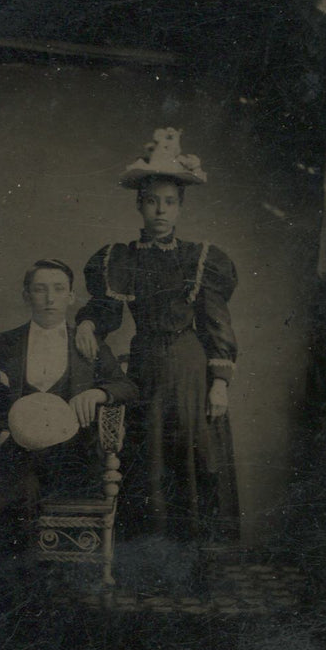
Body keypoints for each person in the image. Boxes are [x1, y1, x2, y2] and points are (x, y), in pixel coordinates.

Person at [75, 128, 239, 542]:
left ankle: (192, 559)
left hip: (188, 368)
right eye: (152, 202)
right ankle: (150, 560)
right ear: (139, 205)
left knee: (189, 454)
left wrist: (219, 383)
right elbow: (107, 308)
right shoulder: (122, 258)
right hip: (144, 363)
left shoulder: (198, 259)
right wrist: (89, 322)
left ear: (180, 207)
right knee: (146, 458)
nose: (160, 211)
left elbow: (216, 321)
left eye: (169, 203)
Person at [0, 258, 138, 529]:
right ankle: (27, 567)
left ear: (71, 296)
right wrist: (4, 436)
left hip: (71, 457)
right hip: (15, 453)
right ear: (26, 296)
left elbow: (128, 387)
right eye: (40, 289)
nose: (50, 298)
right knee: (25, 486)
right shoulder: (4, 343)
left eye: (58, 289)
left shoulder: (88, 344)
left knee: (22, 478)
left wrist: (97, 393)